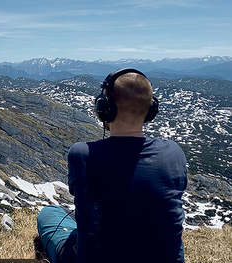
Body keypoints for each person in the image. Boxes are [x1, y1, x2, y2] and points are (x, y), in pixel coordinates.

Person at [37, 68, 187, 263]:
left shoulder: (82, 154)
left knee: (49, 213)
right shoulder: (174, 153)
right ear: (151, 110)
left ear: (105, 108)